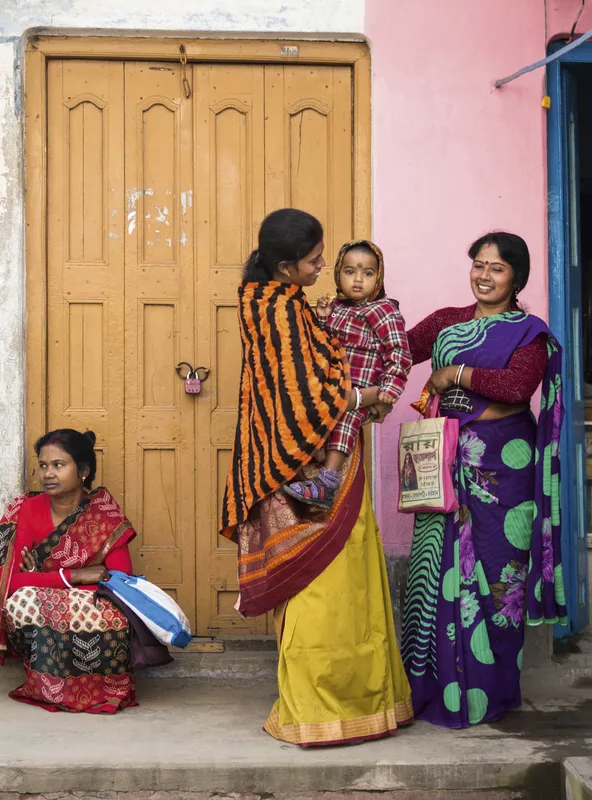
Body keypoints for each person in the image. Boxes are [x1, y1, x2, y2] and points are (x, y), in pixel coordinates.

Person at [220, 208, 412, 746]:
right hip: (305, 461)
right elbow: (304, 393)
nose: (326, 266)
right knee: (325, 585)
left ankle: (349, 702)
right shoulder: (281, 310)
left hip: (314, 453)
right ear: (285, 267)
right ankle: (325, 707)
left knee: (328, 584)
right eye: (316, 260)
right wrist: (364, 397)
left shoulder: (270, 300)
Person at [400, 231, 566, 728]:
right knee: (434, 579)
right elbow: (398, 350)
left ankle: (491, 694)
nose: (484, 275)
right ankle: (435, 693)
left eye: (496, 267)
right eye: (478, 264)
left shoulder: (528, 332)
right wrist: (352, 310)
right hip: (444, 467)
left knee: (499, 581)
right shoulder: (448, 322)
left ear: (517, 276)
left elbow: (517, 386)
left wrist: (453, 375)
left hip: (504, 472)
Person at [0, 429, 139, 713]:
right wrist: (75, 576)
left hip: (92, 606)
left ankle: (105, 689)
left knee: (111, 615)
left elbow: (121, 584)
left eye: (59, 465)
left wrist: (43, 581)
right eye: (44, 465)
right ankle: (47, 687)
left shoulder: (104, 516)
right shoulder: (26, 509)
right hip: (48, 604)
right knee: (23, 603)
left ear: (83, 471)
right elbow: (7, 583)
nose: (48, 474)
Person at [285, 240, 412, 508]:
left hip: (364, 391)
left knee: (346, 416)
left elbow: (399, 352)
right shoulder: (338, 308)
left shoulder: (384, 311)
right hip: (334, 388)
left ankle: (326, 483)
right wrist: (322, 317)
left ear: (379, 277)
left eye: (367, 273)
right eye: (349, 271)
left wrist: (389, 388)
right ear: (338, 274)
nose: (357, 280)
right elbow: (323, 345)